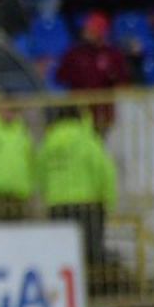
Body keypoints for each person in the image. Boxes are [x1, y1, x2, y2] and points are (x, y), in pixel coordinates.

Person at [35, 105, 117, 275]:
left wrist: (48, 195)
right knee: (91, 252)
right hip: (88, 204)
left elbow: (40, 172)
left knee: (63, 252)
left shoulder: (48, 142)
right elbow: (105, 170)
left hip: (57, 205)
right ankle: (92, 290)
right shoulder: (87, 140)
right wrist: (108, 200)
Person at [0, 105, 35, 220]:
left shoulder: (23, 132)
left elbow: (30, 158)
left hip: (19, 192)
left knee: (19, 228)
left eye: (13, 110)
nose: (9, 114)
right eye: (6, 109)